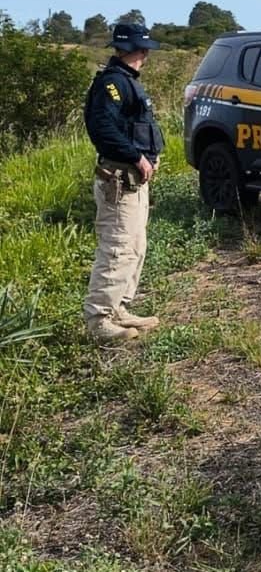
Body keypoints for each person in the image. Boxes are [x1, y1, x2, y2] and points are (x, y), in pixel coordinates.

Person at [82, 22, 165, 343]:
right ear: (136, 50)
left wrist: (147, 158)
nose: (146, 55)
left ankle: (119, 308)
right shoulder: (113, 83)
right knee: (117, 248)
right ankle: (99, 319)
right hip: (119, 179)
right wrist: (136, 157)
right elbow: (102, 128)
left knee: (134, 246)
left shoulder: (126, 81)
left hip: (132, 180)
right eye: (144, 49)